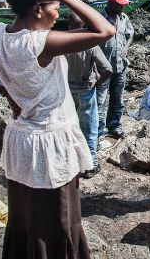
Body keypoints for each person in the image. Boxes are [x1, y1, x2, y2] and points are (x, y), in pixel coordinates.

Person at [0, 0, 115, 256]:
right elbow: (104, 30)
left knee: (26, 221)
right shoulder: (39, 43)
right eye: (55, 8)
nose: (58, 14)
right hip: (50, 145)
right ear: (38, 8)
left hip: (20, 142)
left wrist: (2, 89)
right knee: (59, 222)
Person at [65, 13, 112, 178]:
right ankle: (89, 165)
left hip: (67, 93)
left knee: (70, 128)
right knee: (89, 130)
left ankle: (72, 161)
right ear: (84, 25)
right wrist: (96, 85)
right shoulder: (89, 44)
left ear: (69, 26)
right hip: (86, 91)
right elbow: (107, 69)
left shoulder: (62, 43)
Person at [97, 0, 133, 140]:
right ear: (110, 4)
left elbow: (130, 34)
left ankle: (114, 126)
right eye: (119, 5)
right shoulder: (99, 19)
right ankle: (98, 132)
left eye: (123, 5)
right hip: (103, 68)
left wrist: (126, 47)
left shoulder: (124, 18)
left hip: (120, 66)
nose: (122, 7)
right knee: (100, 101)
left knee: (117, 99)